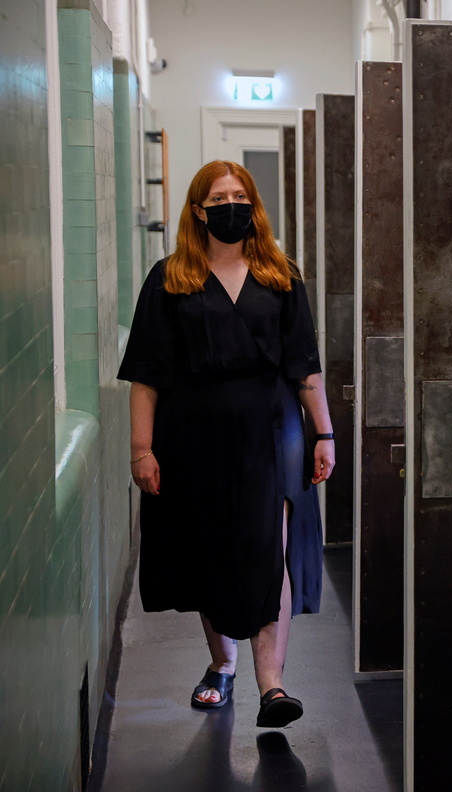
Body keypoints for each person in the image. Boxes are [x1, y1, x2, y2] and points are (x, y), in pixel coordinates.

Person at [118, 160, 334, 728]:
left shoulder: (281, 275)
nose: (230, 205)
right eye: (218, 197)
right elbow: (146, 377)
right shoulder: (170, 278)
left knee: (269, 548)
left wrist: (325, 433)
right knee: (211, 547)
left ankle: (272, 684)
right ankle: (222, 664)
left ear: (253, 205)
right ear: (198, 210)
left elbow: (305, 367)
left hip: (274, 429)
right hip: (194, 434)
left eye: (240, 195)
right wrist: (142, 449)